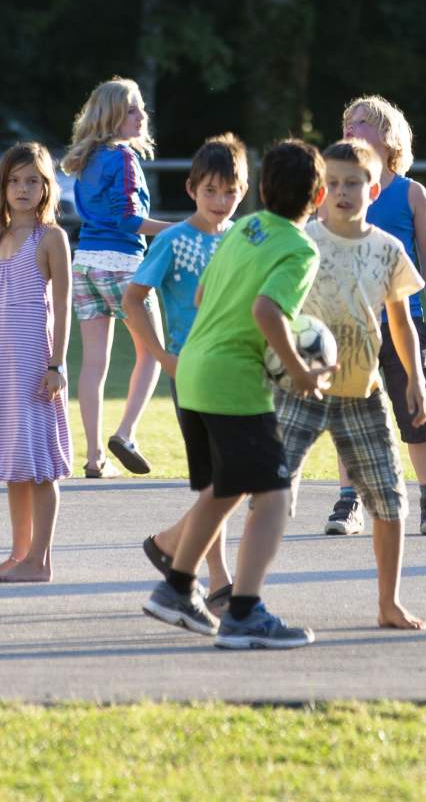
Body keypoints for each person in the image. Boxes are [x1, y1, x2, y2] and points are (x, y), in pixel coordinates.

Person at [140, 138, 327, 650]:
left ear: (260, 189)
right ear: (320, 196)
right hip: (231, 380)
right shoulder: (300, 247)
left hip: (194, 370)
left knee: (224, 488)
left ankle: (177, 587)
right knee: (274, 495)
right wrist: (301, 373)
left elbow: (201, 295)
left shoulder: (242, 228)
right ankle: (244, 612)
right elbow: (267, 312)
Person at [280, 138, 426, 629]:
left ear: (375, 186)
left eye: (353, 183)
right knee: (263, 492)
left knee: (389, 500)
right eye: (334, 183)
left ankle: (389, 603)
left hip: (363, 395)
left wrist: (416, 383)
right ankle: (235, 593)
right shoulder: (303, 242)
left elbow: (401, 322)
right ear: (320, 189)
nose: (342, 192)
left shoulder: (388, 251)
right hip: (302, 388)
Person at [126, 134, 246, 604]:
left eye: (231, 191)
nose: (220, 201)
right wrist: (161, 356)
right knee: (221, 479)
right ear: (192, 187)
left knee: (222, 479)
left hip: (236, 371)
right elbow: (134, 298)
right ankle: (210, 575)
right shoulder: (174, 240)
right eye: (211, 190)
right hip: (192, 371)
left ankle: (178, 551)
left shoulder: (242, 238)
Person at [328, 95, 426, 537]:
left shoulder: (411, 192)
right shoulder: (336, 189)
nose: (350, 127)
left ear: (387, 133)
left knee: (416, 408)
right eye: (347, 121)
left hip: (404, 318)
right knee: (349, 411)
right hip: (349, 320)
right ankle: (348, 503)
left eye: (360, 122)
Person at [0, 143, 72, 581]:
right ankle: (19, 554)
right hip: (0, 368)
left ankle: (41, 560)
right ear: (2, 187)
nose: (22, 189)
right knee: (14, 464)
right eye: (14, 181)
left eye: (32, 180)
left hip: (34, 368)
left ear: (47, 187)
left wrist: (58, 364)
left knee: (39, 463)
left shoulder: (51, 239)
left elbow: (64, 306)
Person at [59, 77, 171, 479]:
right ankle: (125, 434)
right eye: (132, 110)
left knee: (94, 364)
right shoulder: (123, 158)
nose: (142, 116)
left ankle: (93, 458)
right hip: (123, 265)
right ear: (113, 117)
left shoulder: (86, 159)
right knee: (153, 354)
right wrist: (180, 228)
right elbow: (128, 220)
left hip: (84, 263)